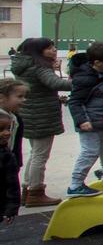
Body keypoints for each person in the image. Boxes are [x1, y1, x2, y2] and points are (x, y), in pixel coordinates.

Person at [10, 38, 72, 206]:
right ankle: (36, 192)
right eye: (49, 48)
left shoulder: (23, 65)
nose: (54, 50)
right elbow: (56, 83)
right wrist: (81, 82)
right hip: (42, 115)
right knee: (40, 155)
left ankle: (27, 190)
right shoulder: (39, 67)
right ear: (38, 51)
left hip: (30, 114)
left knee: (35, 153)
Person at [64, 42, 103, 198]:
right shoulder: (85, 78)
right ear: (97, 62)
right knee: (90, 152)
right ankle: (75, 185)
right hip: (89, 123)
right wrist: (82, 120)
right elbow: (75, 102)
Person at [0, 115, 19, 224]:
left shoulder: (7, 155)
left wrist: (11, 209)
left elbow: (12, 184)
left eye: (8, 128)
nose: (7, 133)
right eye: (1, 130)